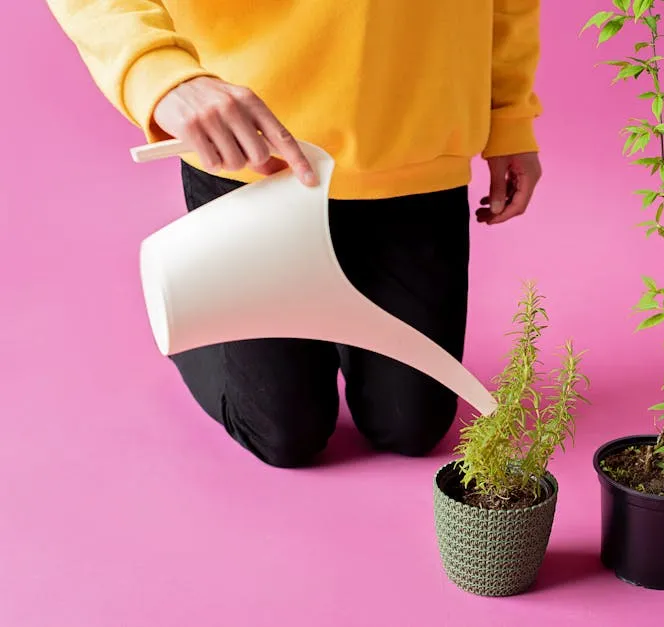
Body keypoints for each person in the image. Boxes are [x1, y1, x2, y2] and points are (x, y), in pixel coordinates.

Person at [47, 1, 543, 468]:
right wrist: (159, 72)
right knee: (282, 433)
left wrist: (509, 115)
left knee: (410, 427)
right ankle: (185, 303)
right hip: (252, 149)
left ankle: (322, 310)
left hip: (417, 145)